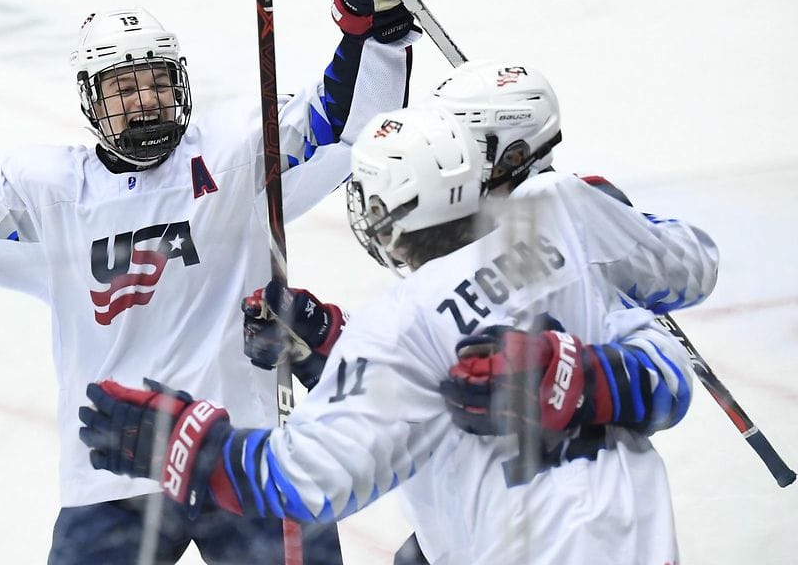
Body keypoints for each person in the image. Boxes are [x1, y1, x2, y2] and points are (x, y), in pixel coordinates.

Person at [0, 0, 426, 563]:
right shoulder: (51, 195)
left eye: (155, 83)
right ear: (90, 99)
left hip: (245, 452)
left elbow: (342, 128)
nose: (145, 101)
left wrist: (372, 27)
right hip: (115, 468)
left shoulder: (236, 156)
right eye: (124, 89)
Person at [76, 104, 719, 564]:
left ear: (386, 218)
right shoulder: (565, 214)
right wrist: (589, 378)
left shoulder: (396, 328)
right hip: (642, 538)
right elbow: (673, 345)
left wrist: (197, 446)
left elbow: (305, 482)